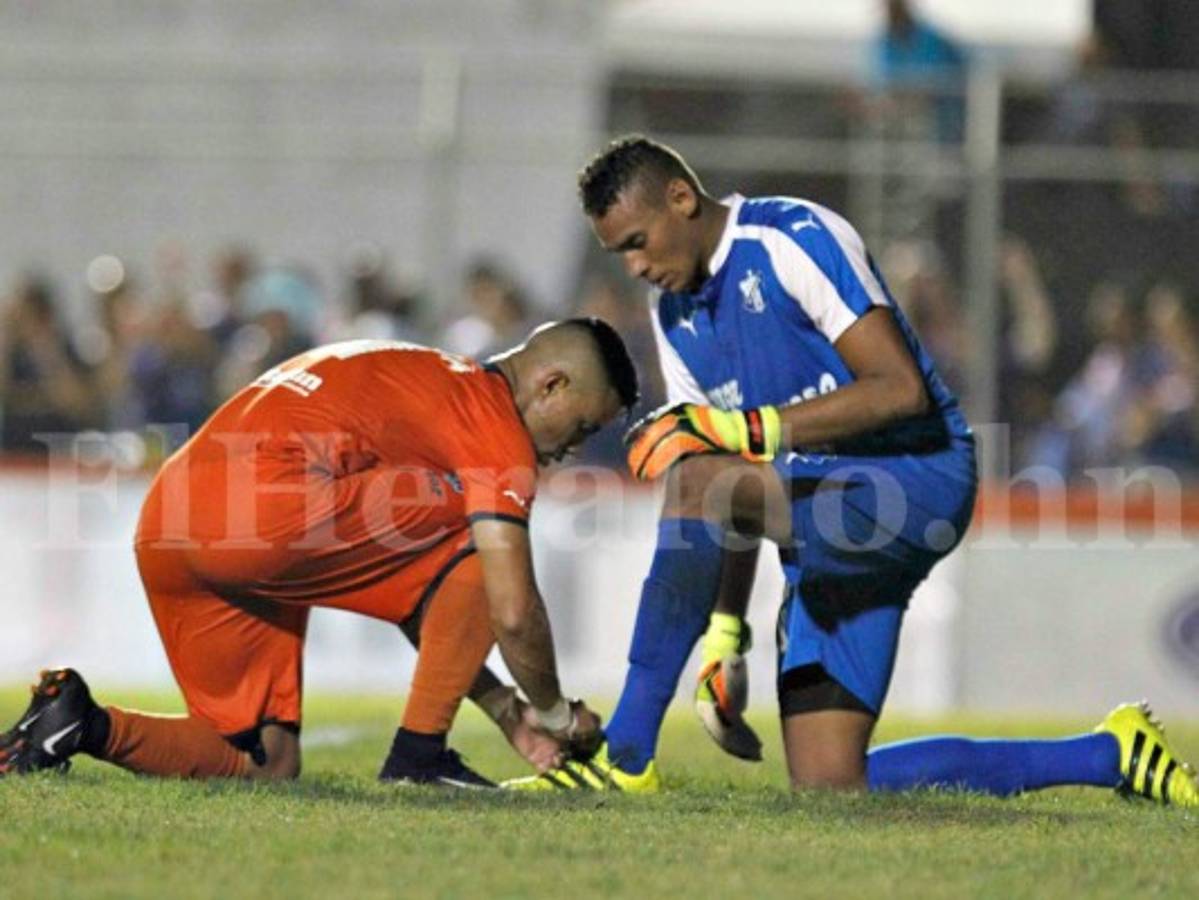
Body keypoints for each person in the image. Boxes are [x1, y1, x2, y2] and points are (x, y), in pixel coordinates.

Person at [506, 135, 1199, 807]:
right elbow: (725, 480)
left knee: (693, 476)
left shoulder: (792, 237)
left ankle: (624, 759)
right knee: (830, 785)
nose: (632, 266)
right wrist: (725, 635)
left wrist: (751, 429)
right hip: (824, 519)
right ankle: (1108, 753)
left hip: (914, 479)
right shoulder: (674, 313)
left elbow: (899, 388)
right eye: (616, 252)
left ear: (681, 198)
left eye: (636, 241)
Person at [0, 319, 639, 788]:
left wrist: (506, 712)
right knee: (482, 536)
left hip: (168, 517)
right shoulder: (493, 426)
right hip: (265, 517)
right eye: (582, 426)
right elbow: (512, 608)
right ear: (551, 385)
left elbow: (435, 601)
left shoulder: (411, 367)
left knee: (266, 760)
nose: (572, 449)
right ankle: (419, 760)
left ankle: (78, 722)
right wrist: (554, 713)